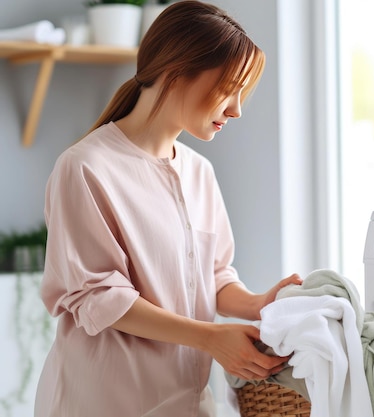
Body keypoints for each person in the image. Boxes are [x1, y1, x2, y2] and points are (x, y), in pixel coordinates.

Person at [34, 2, 302, 416]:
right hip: (103, 402)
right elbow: (101, 297)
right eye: (229, 88)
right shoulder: (85, 167)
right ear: (177, 71)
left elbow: (212, 277)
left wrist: (257, 302)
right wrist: (211, 337)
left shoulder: (200, 172)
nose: (236, 109)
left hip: (187, 402)